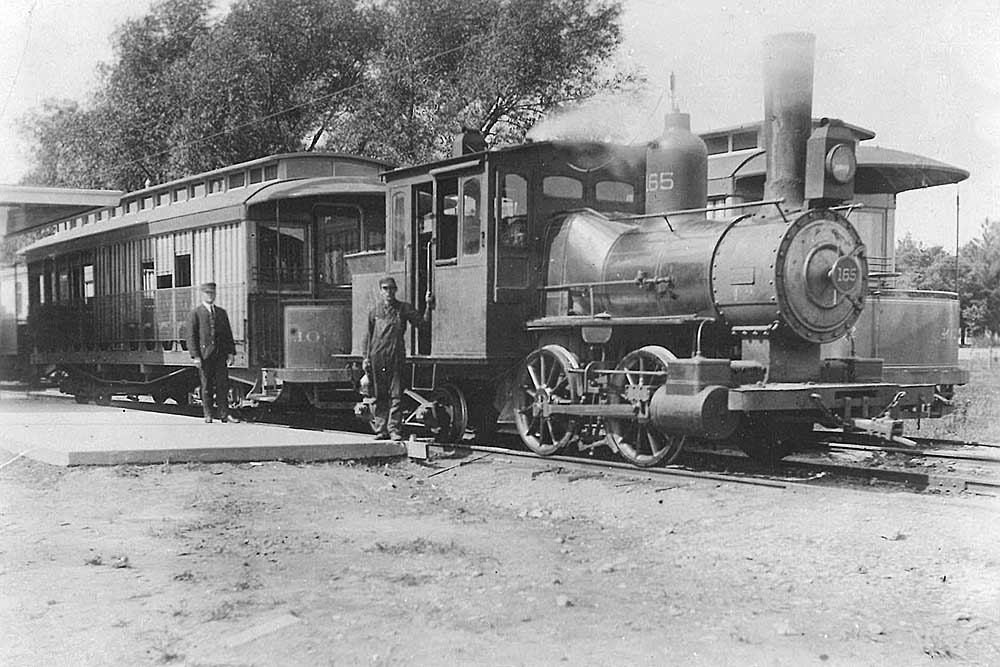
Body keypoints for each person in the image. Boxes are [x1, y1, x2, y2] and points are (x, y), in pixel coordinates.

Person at [361, 276, 434, 441]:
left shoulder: (403, 309)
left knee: (396, 395)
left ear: (396, 290)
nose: (389, 292)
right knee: (380, 394)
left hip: (396, 357)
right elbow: (368, 336)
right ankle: (381, 429)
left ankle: (394, 429)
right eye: (385, 289)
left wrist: (428, 305)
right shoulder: (374, 312)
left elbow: (422, 324)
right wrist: (365, 358)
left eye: (392, 289)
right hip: (377, 357)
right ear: (381, 291)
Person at [185, 282, 236, 423]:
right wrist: (195, 356)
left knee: (222, 385)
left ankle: (224, 414)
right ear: (202, 295)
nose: (210, 296)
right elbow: (191, 336)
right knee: (206, 385)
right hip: (204, 355)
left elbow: (227, 334)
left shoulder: (221, 313)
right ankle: (208, 414)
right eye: (208, 293)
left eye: (212, 293)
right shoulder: (195, 313)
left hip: (220, 355)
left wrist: (231, 352)